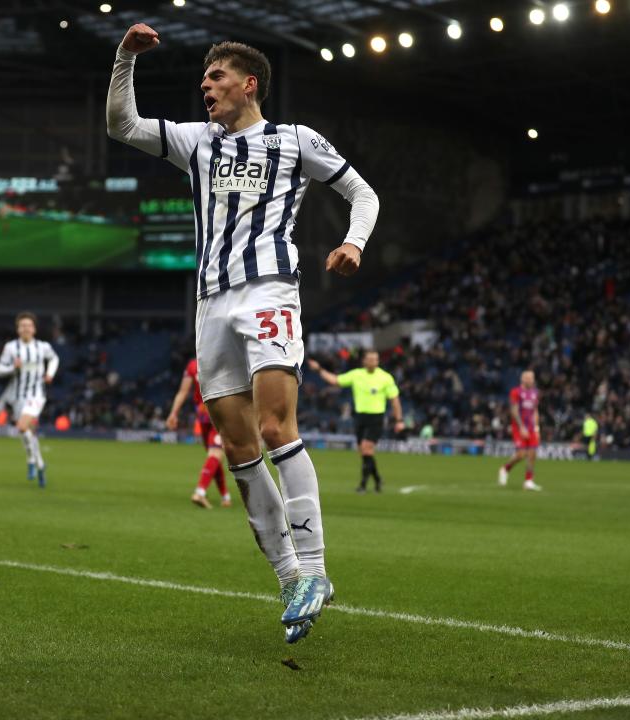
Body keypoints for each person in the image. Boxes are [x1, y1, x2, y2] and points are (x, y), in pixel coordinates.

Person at [107, 24, 379, 643]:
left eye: (216, 77)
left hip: (269, 292)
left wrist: (353, 242)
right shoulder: (196, 143)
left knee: (278, 426)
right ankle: (289, 578)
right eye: (204, 78)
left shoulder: (294, 140)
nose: (205, 86)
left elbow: (363, 194)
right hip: (209, 304)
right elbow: (122, 124)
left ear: (248, 83)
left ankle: (314, 568)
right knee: (238, 448)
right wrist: (124, 57)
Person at [307, 351, 403, 493]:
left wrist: (399, 420)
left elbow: (394, 400)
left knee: (366, 448)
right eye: (370, 359)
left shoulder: (385, 377)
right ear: (364, 361)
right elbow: (335, 380)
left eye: (375, 359)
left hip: (376, 417)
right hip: (360, 418)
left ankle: (363, 486)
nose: (373, 362)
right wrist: (319, 369)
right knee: (364, 452)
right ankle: (377, 480)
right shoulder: (356, 374)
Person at [0, 312, 59, 487]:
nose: (25, 328)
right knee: (27, 433)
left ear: (34, 329)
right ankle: (39, 464)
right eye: (22, 325)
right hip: (17, 396)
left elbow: (54, 358)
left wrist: (49, 374)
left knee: (22, 426)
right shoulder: (11, 347)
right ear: (18, 329)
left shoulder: (42, 347)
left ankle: (31, 459)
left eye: (28, 325)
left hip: (36, 394)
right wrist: (11, 368)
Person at [166, 358, 232, 509]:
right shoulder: (224, 360)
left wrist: (173, 413)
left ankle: (225, 496)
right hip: (219, 414)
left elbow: (183, 392)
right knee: (215, 454)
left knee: (213, 456)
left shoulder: (193, 365)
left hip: (202, 414)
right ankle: (200, 493)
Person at [498, 370, 542, 491]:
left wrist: (537, 428)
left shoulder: (535, 393)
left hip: (531, 427)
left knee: (532, 453)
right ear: (522, 379)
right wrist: (521, 426)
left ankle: (529, 481)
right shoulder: (516, 392)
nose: (530, 380)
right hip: (519, 427)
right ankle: (505, 468)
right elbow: (514, 410)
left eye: (532, 378)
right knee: (521, 454)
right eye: (528, 378)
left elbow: (535, 411)